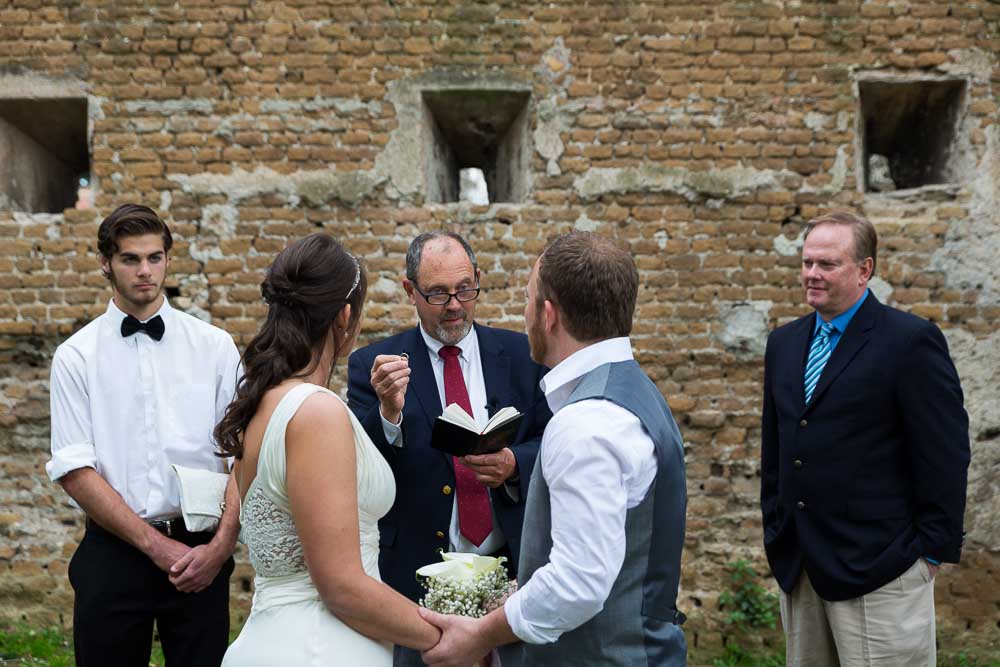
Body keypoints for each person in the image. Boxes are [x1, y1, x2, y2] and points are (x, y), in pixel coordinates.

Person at [419, 231, 689, 667]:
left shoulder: (585, 423)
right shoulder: (634, 391)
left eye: (528, 299)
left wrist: (479, 635)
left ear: (548, 315)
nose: (524, 313)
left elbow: (578, 581)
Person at [218, 233, 440, 666]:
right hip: (320, 647)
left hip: (272, 640)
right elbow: (340, 586)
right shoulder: (316, 411)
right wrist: (443, 633)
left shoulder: (263, 402)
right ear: (344, 316)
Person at [759, 211, 970, 665]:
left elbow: (945, 453)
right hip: (801, 568)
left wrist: (929, 553)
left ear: (864, 270)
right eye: (807, 262)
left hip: (883, 571)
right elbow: (776, 450)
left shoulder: (910, 342)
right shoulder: (785, 343)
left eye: (827, 264)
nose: (812, 274)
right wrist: (776, 531)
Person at [46, 204, 242, 667]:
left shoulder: (214, 347)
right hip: (115, 553)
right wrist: (154, 546)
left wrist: (221, 547)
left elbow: (244, 456)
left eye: (155, 257)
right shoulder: (76, 356)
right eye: (130, 259)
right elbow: (74, 469)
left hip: (202, 550)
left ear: (168, 260)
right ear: (105, 264)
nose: (144, 271)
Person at [346, 231, 551, 665]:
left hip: (510, 573)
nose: (455, 304)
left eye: (464, 289)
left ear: (477, 278)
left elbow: (552, 441)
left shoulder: (522, 354)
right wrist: (388, 413)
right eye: (438, 293)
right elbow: (361, 468)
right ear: (410, 291)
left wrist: (515, 463)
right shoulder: (375, 365)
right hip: (415, 582)